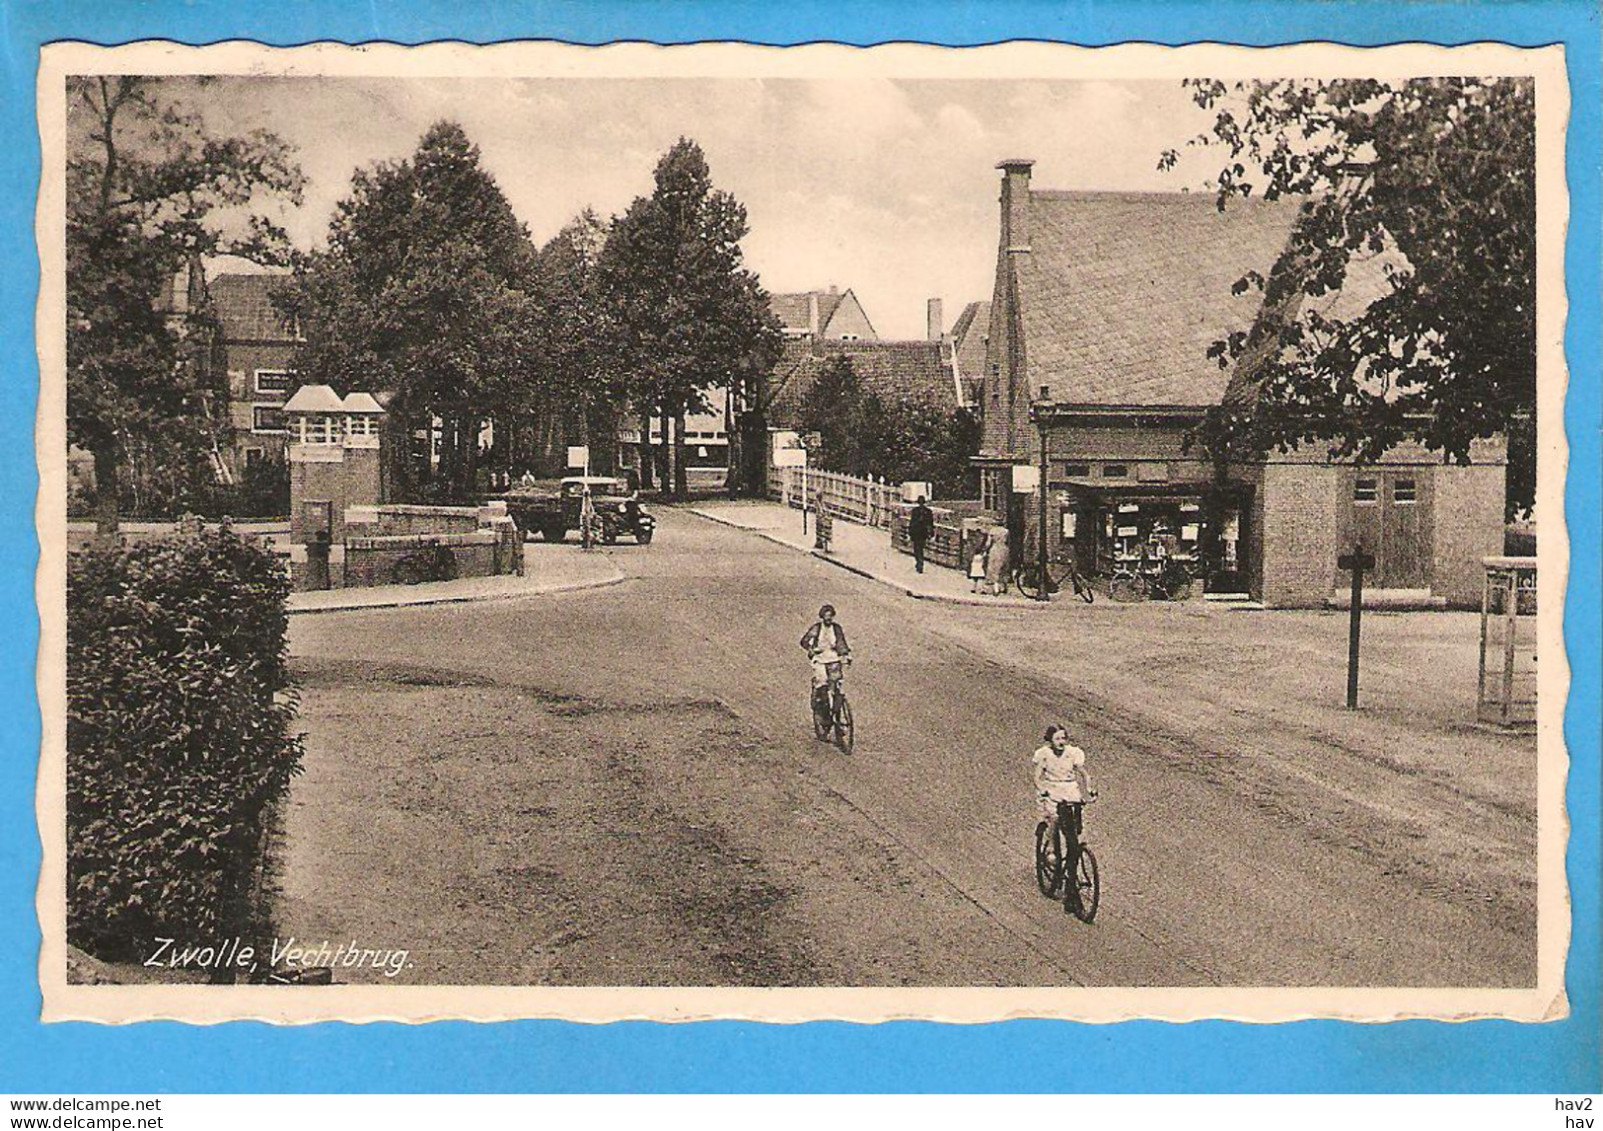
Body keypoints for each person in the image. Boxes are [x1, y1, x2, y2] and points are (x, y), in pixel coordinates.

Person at [1032, 725, 1095, 861]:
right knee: (1055, 817)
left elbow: (1084, 774)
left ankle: (1078, 840)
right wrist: (1042, 789)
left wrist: (1089, 788)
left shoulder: (1072, 753)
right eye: (1057, 738)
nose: (1061, 741)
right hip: (1052, 789)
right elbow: (1037, 778)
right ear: (1050, 740)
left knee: (1076, 813)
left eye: (1063, 738)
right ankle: (1051, 847)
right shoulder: (1045, 755)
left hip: (1070, 789)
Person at [799, 603, 851, 712]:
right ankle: (821, 708)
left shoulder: (836, 628)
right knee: (822, 682)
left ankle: (837, 710)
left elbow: (841, 642)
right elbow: (804, 641)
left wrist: (845, 655)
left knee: (836, 681)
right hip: (820, 659)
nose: (829, 618)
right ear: (822, 617)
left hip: (833, 658)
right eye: (826, 616)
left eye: (830, 616)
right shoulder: (816, 628)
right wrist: (811, 650)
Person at [907, 496, 935, 574]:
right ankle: (920, 562)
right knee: (920, 548)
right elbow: (931, 524)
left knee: (917, 549)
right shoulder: (928, 511)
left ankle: (919, 562)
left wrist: (910, 532)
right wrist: (931, 533)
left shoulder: (916, 511)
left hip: (918, 532)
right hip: (922, 533)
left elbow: (912, 522)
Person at [968, 529, 991, 594]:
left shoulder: (974, 557)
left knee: (974, 580)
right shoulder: (981, 557)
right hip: (980, 570)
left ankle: (973, 588)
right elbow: (985, 556)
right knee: (980, 580)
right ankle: (981, 589)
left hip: (974, 570)